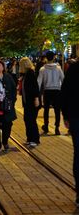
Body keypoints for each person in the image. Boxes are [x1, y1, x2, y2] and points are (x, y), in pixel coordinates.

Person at [60, 59, 79, 208]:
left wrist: (66, 115)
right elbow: (65, 93)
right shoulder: (73, 70)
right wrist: (66, 115)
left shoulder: (73, 69)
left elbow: (64, 93)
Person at [37, 50, 64, 135]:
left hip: (47, 91)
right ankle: (57, 127)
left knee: (46, 110)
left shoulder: (42, 69)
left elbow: (39, 82)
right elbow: (63, 80)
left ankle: (46, 126)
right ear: (54, 57)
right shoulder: (58, 69)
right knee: (57, 110)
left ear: (46, 58)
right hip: (57, 91)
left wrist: (37, 93)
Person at [19, 57, 40, 147]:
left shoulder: (30, 74)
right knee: (27, 120)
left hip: (32, 101)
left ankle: (34, 139)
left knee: (31, 120)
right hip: (27, 102)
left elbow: (35, 87)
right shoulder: (25, 74)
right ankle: (29, 138)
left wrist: (36, 99)